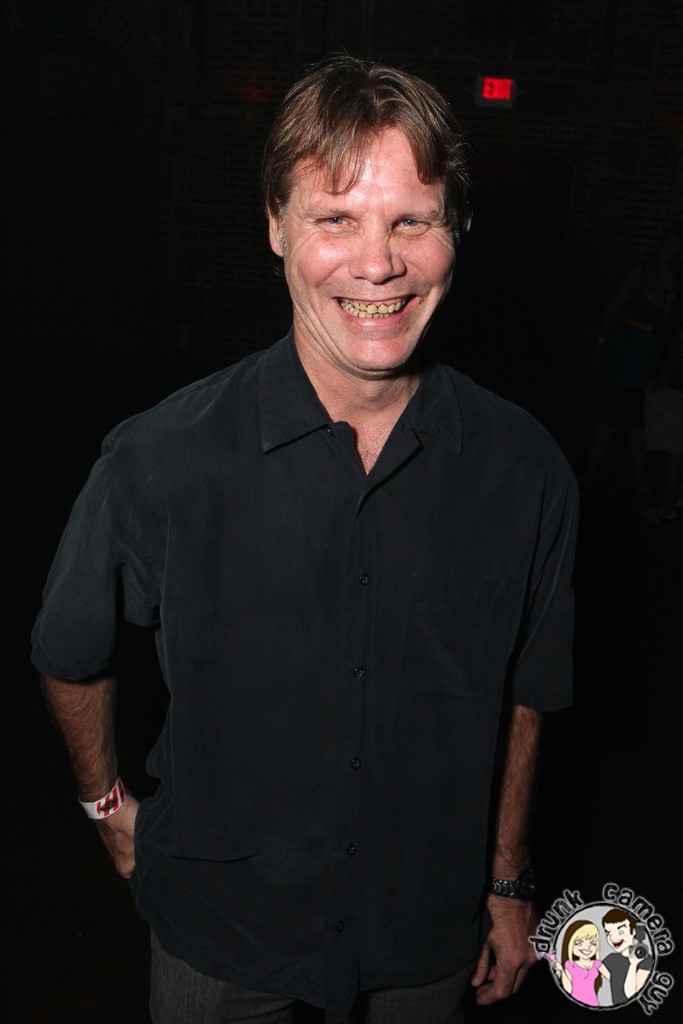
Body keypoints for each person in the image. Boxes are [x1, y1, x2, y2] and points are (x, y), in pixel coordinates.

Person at [32, 55, 578, 1024]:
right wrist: (107, 810)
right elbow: (70, 652)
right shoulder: (160, 458)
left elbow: (525, 689)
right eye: (335, 219)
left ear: (454, 230)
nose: (376, 264)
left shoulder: (523, 467)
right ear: (276, 227)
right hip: (219, 932)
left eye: (410, 220)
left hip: (423, 930)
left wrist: (505, 879)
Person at [587, 227, 681, 495]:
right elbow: (613, 306)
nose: (666, 249)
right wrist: (601, 343)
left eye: (673, 246)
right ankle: (590, 473)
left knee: (638, 418)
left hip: (647, 359)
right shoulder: (640, 271)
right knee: (608, 411)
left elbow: (671, 324)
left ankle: (638, 478)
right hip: (623, 351)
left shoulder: (675, 283)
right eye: (665, 243)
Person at [552, 920, 610, 1007]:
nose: (587, 947)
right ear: (570, 944)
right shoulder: (569, 965)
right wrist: (561, 970)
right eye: (579, 943)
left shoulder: (597, 964)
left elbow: (613, 979)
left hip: (593, 1004)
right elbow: (569, 990)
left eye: (593, 943)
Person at [601, 909, 653, 1004]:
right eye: (608, 933)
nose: (613, 938)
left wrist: (633, 964)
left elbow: (631, 994)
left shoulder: (646, 960)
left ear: (633, 931)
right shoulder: (611, 959)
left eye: (620, 932)